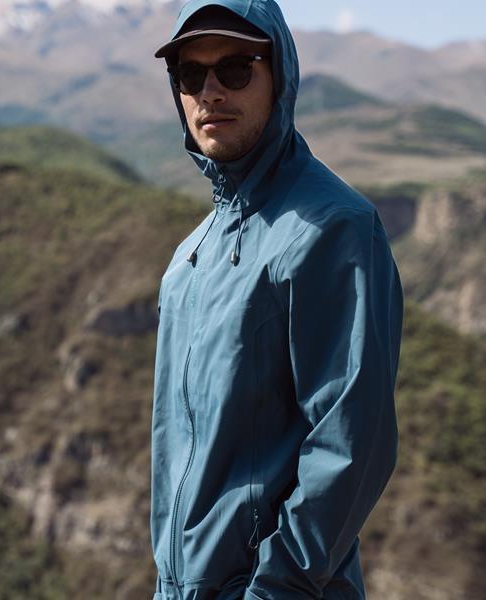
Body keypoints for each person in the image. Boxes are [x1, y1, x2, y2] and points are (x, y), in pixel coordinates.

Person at [150, 1, 403, 599]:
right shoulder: (191, 256)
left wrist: (274, 590)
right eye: (191, 74)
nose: (210, 91)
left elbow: (349, 440)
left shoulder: (333, 228)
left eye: (235, 68)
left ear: (280, 74)